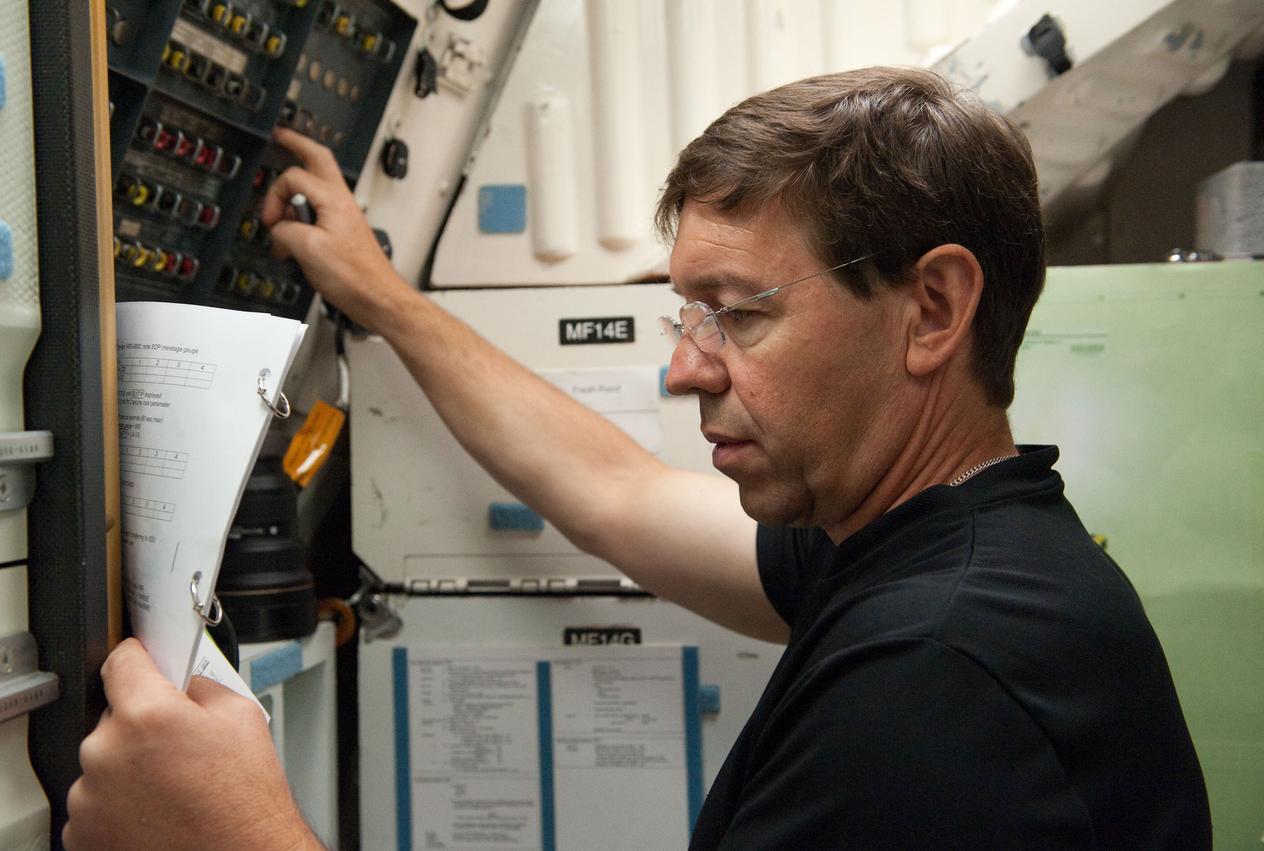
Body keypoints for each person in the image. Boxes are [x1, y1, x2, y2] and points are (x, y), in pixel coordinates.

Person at [64, 67, 1210, 849]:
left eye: (737, 312)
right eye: (684, 314)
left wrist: (239, 834)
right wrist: (380, 298)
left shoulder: (936, 682)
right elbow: (611, 491)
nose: (684, 368)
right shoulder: (935, 552)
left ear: (930, 309)